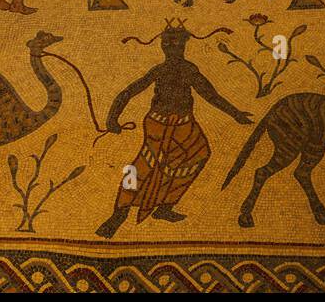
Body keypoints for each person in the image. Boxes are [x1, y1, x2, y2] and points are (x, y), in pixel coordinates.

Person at [96, 23, 252, 237]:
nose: (171, 48)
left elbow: (209, 94)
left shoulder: (178, 69)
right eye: (168, 44)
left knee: (191, 156)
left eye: (174, 44)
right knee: (147, 164)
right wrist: (112, 118)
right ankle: (120, 213)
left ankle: (162, 206)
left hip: (181, 124)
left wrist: (235, 113)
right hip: (160, 124)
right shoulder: (174, 69)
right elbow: (130, 91)